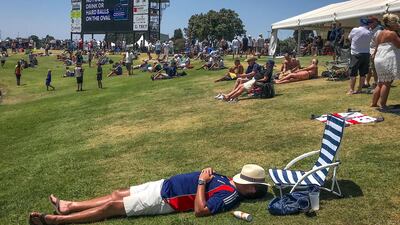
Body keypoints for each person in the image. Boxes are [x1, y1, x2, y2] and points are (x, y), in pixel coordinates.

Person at [29, 165, 268, 225]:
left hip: (166, 200)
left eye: (245, 181)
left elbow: (200, 211)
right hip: (163, 185)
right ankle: (69, 206)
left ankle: (60, 221)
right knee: (116, 193)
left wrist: (200, 182)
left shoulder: (230, 196)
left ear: (250, 190)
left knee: (114, 206)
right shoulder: (228, 181)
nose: (239, 180)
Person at [371, 13, 400, 110]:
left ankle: (374, 103)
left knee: (380, 82)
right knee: (387, 83)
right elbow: (399, 45)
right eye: (397, 22)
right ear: (392, 24)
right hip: (387, 58)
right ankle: (383, 105)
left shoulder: (380, 33)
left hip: (378, 58)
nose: (398, 24)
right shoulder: (392, 34)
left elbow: (376, 47)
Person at [347, 18, 374, 95]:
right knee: (363, 73)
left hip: (356, 54)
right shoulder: (370, 32)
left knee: (353, 73)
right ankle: (360, 89)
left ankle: (351, 90)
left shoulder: (355, 30)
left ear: (360, 23)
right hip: (366, 54)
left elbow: (349, 38)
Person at [365, 16, 383, 88]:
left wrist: (374, 53)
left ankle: (376, 83)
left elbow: (378, 44)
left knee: (374, 68)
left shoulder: (379, 31)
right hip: (368, 50)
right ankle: (367, 82)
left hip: (374, 51)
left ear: (375, 22)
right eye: (368, 22)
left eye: (371, 22)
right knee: (369, 67)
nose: (369, 24)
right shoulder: (369, 29)